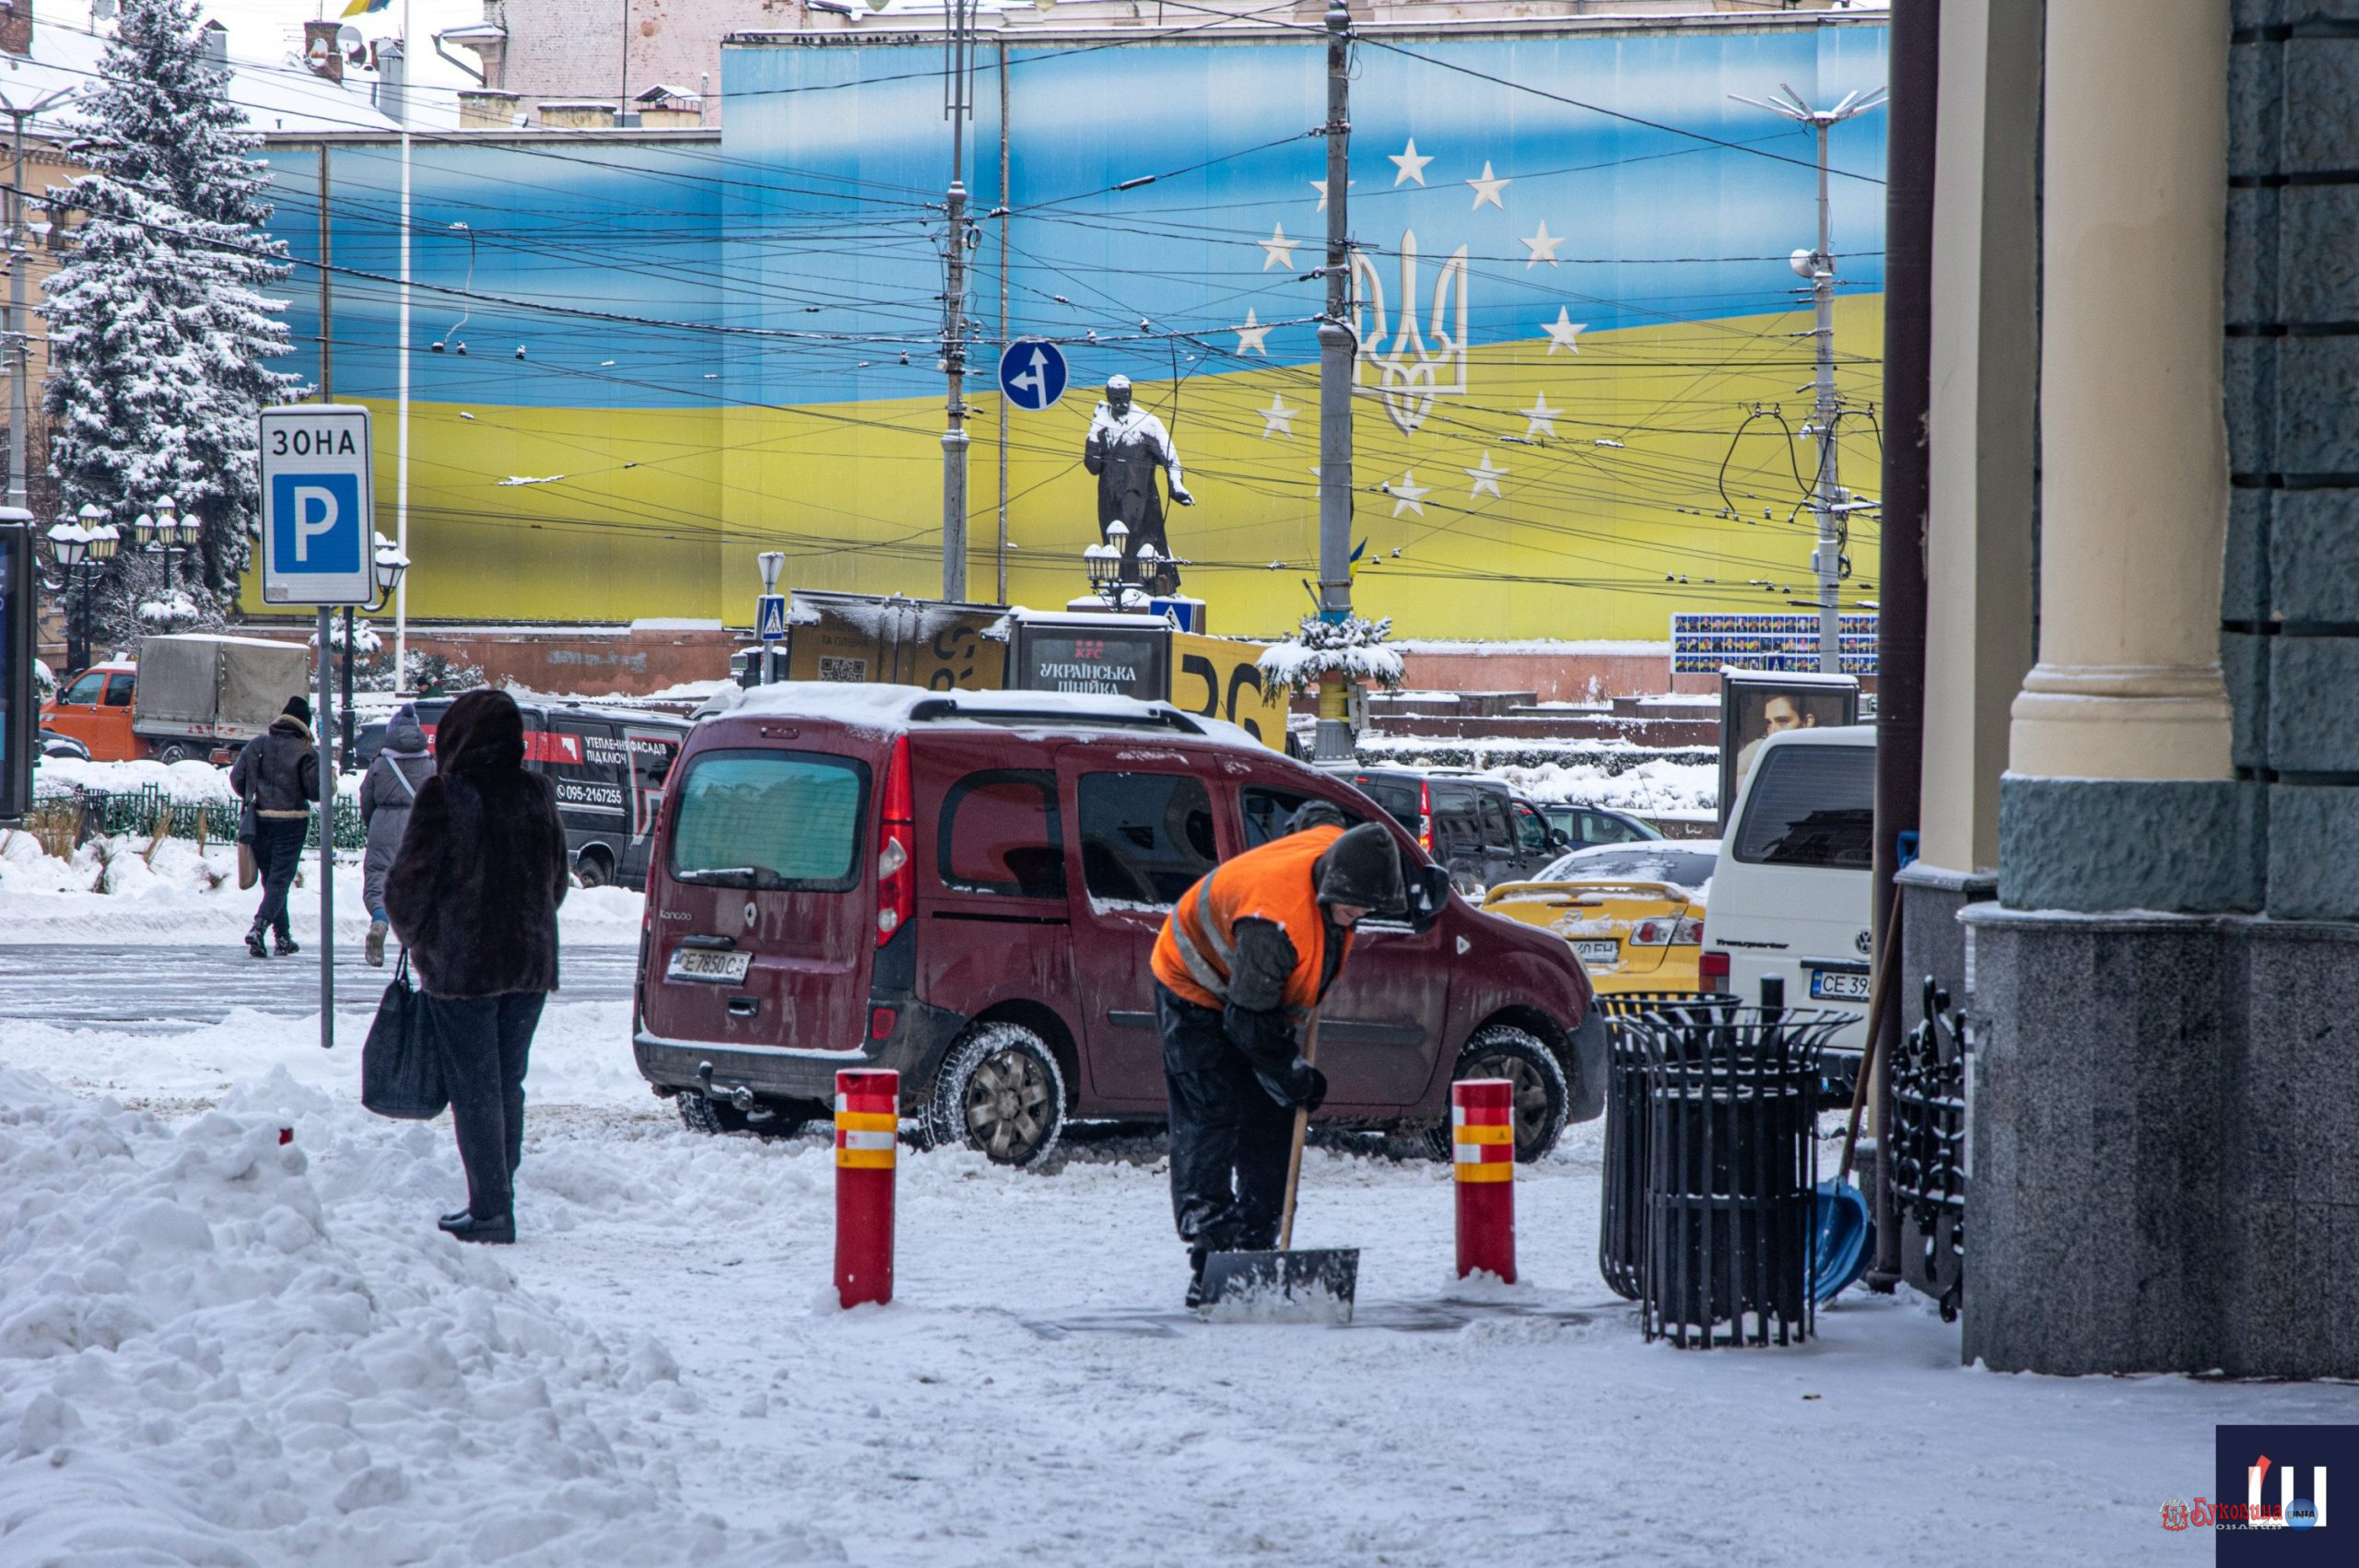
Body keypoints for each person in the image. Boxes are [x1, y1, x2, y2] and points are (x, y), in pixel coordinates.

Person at [1149, 813, 1404, 1306]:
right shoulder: (1276, 923)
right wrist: (1291, 1073)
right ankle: (1212, 1255)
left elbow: (1315, 818)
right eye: (1353, 910)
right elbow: (1246, 1025)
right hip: (1191, 982)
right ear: (1331, 883)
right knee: (1212, 1113)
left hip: (1254, 994)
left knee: (1273, 1114)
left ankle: (1258, 1243)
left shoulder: (1341, 852)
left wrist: (1284, 1084)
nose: (1357, 918)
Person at [383, 690, 569, 1246]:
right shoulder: (538, 793)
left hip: (462, 969)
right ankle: (498, 1194)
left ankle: (490, 1209)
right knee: (507, 1082)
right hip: (529, 965)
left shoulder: (447, 796)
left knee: (475, 1088)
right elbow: (556, 884)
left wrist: (422, 940)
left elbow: (406, 887)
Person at [228, 696, 321, 960]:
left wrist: (252, 794)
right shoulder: (306, 751)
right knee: (280, 880)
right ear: (304, 724)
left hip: (260, 820)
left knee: (272, 881)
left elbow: (237, 778)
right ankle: (259, 927)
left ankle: (283, 938)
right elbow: (316, 792)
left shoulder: (258, 745)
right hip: (292, 821)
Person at [1083, 374, 1193, 584]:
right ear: (1108, 397)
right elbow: (1093, 466)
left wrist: (1176, 486)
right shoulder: (1101, 426)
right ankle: (1120, 594)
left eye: (1125, 397)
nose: (1121, 403)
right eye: (1116, 399)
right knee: (1116, 557)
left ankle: (1148, 591)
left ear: (1131, 394)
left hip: (1143, 506)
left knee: (1147, 556)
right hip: (1110, 504)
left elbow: (1171, 458)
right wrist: (1094, 432)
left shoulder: (1148, 423)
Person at [358, 703, 433, 967]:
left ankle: (380, 921)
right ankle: (419, 940)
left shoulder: (380, 763)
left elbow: (366, 798)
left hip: (384, 824)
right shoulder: (428, 764)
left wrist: (372, 824)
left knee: (379, 876)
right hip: (418, 828)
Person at [1735, 690, 1820, 785]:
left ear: (1807, 723)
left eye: (1782, 722)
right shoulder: (1758, 750)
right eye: (1769, 723)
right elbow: (1733, 778)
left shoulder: (1823, 757)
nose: (1773, 732)